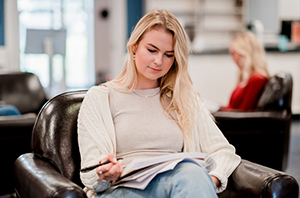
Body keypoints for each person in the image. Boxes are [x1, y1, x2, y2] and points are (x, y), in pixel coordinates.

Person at [77, 9, 241, 198]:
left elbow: (224, 151)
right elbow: (90, 172)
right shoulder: (100, 97)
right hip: (121, 191)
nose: (158, 61)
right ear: (134, 47)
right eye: (152, 50)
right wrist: (104, 174)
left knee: (191, 172)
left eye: (168, 55)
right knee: (190, 173)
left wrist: (207, 181)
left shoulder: (184, 100)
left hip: (179, 187)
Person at [221, 31, 270, 111]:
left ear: (245, 54)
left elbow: (244, 113)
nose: (232, 59)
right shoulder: (247, 78)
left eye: (233, 54)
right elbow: (234, 108)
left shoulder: (257, 80)